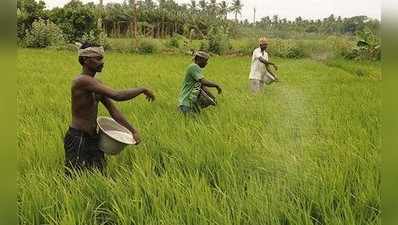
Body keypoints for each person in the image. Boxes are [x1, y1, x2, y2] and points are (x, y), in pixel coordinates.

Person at [64, 43, 155, 175]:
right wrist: (142, 89)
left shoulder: (96, 84)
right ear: (85, 60)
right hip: (78, 137)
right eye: (98, 58)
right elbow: (117, 95)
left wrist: (132, 131)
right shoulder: (81, 81)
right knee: (74, 178)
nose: (102, 62)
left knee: (98, 174)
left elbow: (113, 111)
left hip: (93, 137)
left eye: (102, 58)